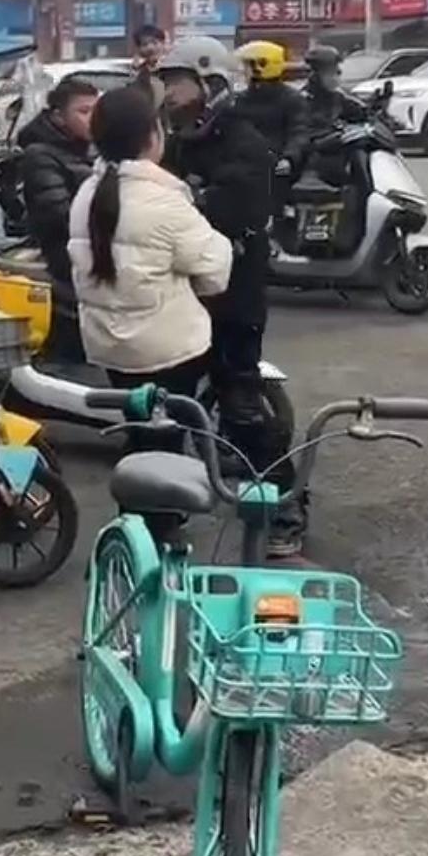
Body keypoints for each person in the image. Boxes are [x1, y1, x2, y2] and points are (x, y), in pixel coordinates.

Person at [159, 35, 304, 555]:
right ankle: (165, 510)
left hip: (234, 294)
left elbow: (231, 210)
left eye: (176, 83)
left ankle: (285, 505)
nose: (169, 94)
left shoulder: (244, 142)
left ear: (210, 82)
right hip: (185, 293)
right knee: (169, 404)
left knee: (240, 402)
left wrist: (185, 203)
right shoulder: (179, 140)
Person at [68, 84, 232, 400]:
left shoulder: (86, 193)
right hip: (165, 351)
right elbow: (213, 272)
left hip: (108, 348)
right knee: (169, 425)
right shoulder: (164, 199)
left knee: (139, 421)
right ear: (152, 137)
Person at [15, 74, 98, 362]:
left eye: (96, 111)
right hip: (65, 265)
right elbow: (58, 214)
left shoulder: (87, 151)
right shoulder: (40, 155)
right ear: (59, 117)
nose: (93, 119)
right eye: (84, 112)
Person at [235, 40, 309, 184]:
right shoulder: (240, 99)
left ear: (262, 66)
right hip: (243, 167)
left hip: (276, 168)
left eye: (248, 65)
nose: (244, 70)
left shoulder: (291, 99)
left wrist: (288, 159)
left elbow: (299, 132)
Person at [130, 22, 167, 109]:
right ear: (138, 49)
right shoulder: (139, 72)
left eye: (154, 43)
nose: (150, 48)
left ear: (163, 44)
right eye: (145, 44)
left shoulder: (172, 67)